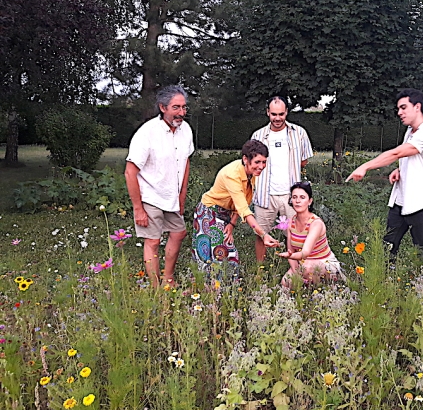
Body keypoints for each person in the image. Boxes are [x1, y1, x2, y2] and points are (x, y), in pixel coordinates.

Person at [346, 88, 423, 262]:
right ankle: (385, 279)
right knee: (387, 245)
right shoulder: (411, 131)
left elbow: (397, 153)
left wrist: (365, 167)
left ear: (417, 107)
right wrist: (400, 169)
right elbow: (411, 157)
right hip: (400, 199)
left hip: (419, 201)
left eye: (403, 107)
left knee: (421, 251)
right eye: (399, 108)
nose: (399, 112)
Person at [124, 85, 194, 289]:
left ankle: (168, 277)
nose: (181, 113)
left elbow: (185, 162)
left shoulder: (186, 130)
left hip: (171, 197)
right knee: (153, 241)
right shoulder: (147, 133)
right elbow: (130, 172)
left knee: (179, 233)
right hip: (150, 196)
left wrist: (182, 197)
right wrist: (138, 208)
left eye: (184, 107)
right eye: (176, 107)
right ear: (163, 107)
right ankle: (156, 287)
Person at [192, 140, 279, 274]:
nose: (261, 166)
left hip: (225, 213)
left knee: (226, 253)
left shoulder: (251, 173)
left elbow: (241, 202)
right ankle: (209, 290)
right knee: (215, 254)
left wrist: (232, 224)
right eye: (257, 162)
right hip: (208, 211)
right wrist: (263, 234)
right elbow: (244, 208)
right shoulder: (232, 174)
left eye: (264, 162)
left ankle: (226, 289)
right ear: (245, 159)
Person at [251, 96, 314, 261]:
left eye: (281, 114)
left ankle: (295, 271)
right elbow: (251, 165)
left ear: (286, 112)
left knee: (295, 235)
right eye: (273, 114)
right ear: (267, 113)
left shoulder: (299, 133)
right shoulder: (258, 135)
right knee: (261, 234)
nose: (277, 118)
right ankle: (259, 272)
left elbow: (304, 161)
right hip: (265, 195)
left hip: (291, 196)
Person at [277, 181, 345, 288]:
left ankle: (326, 288)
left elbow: (305, 252)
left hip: (324, 262)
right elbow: (291, 250)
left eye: (302, 197)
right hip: (304, 264)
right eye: (294, 197)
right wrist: (296, 273)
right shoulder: (290, 222)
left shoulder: (316, 223)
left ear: (309, 201)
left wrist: (291, 256)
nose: (298, 201)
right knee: (286, 281)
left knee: (308, 268)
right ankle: (297, 298)